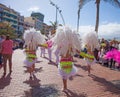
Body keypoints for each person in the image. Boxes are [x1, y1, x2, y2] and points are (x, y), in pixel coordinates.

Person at [53, 26, 81, 91]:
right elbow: (56, 52)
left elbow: (78, 51)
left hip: (68, 62)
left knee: (65, 76)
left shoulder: (71, 46)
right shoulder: (61, 44)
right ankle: (65, 87)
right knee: (64, 76)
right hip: (63, 62)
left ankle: (65, 86)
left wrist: (74, 48)